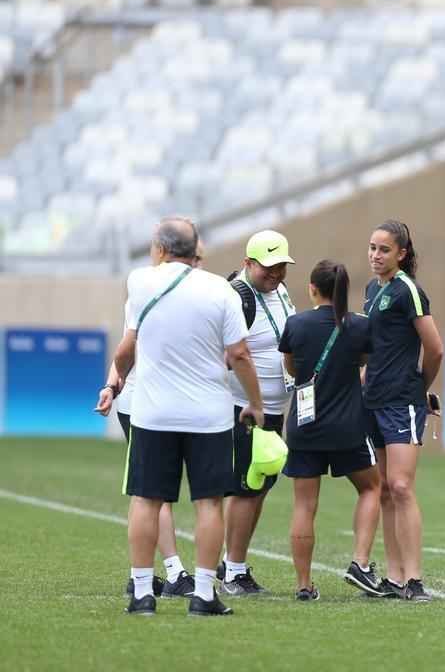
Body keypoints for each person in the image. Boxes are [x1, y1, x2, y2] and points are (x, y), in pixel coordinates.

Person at [98, 217, 265, 617]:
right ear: (196, 251)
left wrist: (115, 383)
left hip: (153, 412)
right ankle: (203, 594)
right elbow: (239, 354)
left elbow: (126, 349)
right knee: (209, 503)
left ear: (159, 249)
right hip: (209, 414)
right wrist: (255, 402)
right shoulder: (221, 289)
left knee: (147, 499)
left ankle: (142, 593)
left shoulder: (140, 281)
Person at [97, 240, 207, 599]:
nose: (198, 263)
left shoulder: (181, 292)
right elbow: (127, 348)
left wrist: (111, 384)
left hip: (163, 403)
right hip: (145, 403)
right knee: (152, 493)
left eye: (200, 258)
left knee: (151, 492)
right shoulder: (149, 290)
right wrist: (112, 385)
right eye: (195, 257)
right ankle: (172, 572)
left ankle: (142, 575)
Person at [278, 260, 382, 602]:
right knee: (371, 488)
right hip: (348, 427)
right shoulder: (359, 326)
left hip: (305, 427)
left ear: (312, 288)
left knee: (304, 505)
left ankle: (303, 585)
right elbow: (364, 361)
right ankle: (360, 563)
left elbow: (292, 367)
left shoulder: (295, 324)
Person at [363, 220, 444, 603]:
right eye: (372, 248)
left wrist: (420, 389)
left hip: (401, 403)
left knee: (400, 486)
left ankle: (414, 579)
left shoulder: (407, 290)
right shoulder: (370, 290)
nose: (376, 255)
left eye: (384, 249)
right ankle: (394, 578)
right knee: (382, 489)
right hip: (372, 401)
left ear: (402, 253)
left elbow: (435, 348)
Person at [219, 230, 297, 596]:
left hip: (273, 409)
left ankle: (231, 562)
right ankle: (233, 572)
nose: (276, 274)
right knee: (246, 486)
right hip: (245, 409)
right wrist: (254, 401)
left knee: (262, 483)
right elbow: (224, 353)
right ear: (248, 263)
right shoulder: (236, 295)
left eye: (281, 266)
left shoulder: (280, 291)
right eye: (268, 267)